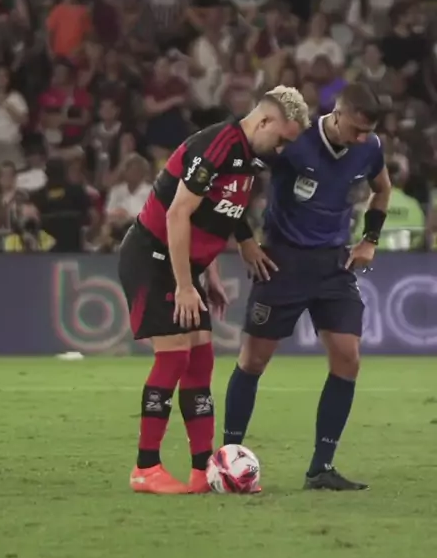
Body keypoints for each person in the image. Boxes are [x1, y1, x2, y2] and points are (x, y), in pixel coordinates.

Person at [118, 87, 310, 495]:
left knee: (200, 359)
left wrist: (220, 264)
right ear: (264, 121)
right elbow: (178, 213)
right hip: (153, 258)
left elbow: (220, 210)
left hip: (184, 265)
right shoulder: (217, 146)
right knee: (174, 355)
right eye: (281, 139)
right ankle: (145, 467)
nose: (281, 149)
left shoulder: (250, 157)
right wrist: (186, 284)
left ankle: (202, 469)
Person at [223, 83, 391, 492]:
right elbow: (232, 182)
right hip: (282, 261)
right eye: (356, 129)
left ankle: (321, 468)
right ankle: (228, 458)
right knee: (253, 361)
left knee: (348, 358)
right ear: (338, 113)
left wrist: (369, 239)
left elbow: (382, 189)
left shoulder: (370, 148)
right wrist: (245, 241)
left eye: (368, 132)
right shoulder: (294, 140)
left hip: (334, 264)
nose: (361, 139)